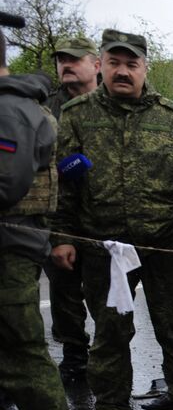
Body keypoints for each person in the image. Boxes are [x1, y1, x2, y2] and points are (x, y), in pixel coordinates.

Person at [51, 29, 173, 410]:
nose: (122, 71)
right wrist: (63, 237)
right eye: (114, 63)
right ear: (101, 65)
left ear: (145, 68)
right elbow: (62, 182)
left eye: (131, 64)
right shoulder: (77, 115)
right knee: (110, 330)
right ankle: (110, 409)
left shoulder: (171, 117)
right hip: (104, 249)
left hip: (165, 245)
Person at [0, 15, 83, 410]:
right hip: (12, 245)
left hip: (10, 247)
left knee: (23, 352)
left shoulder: (9, 111)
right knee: (12, 352)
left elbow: (7, 184)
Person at [44, 35, 100, 382]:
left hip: (103, 215)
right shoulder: (45, 108)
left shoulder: (112, 102)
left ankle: (108, 355)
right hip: (59, 213)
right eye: (61, 60)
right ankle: (75, 352)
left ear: (96, 65)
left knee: (105, 294)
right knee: (63, 287)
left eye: (74, 59)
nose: (66, 65)